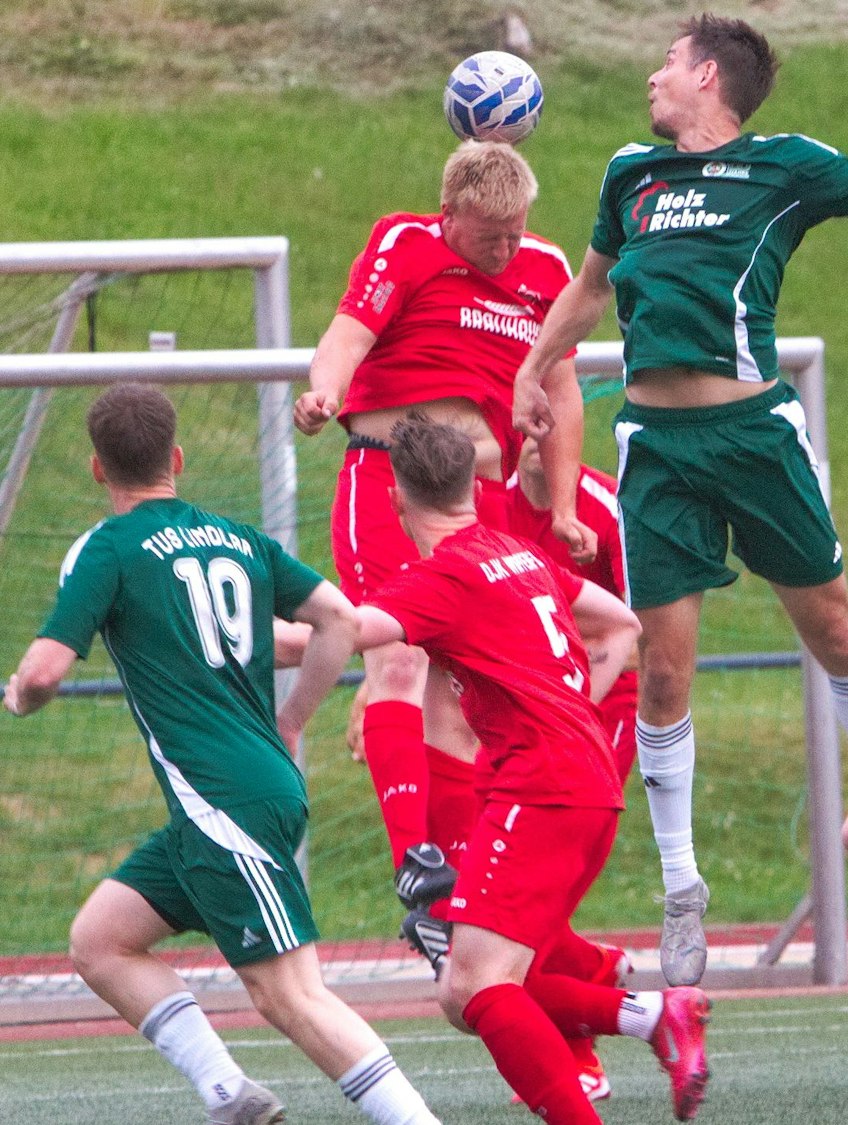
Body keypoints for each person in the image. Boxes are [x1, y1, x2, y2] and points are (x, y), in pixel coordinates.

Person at [511, 13, 848, 987]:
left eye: (666, 62)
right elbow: (592, 289)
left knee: (836, 634)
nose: (651, 75)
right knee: (668, 674)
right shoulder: (630, 172)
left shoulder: (784, 164)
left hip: (754, 435)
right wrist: (533, 365)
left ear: (709, 77)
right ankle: (682, 889)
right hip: (658, 448)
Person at [5, 384, 439, 1125]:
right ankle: (230, 1094)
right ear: (176, 457)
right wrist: (296, 713)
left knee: (289, 995)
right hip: (219, 805)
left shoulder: (109, 548)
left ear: (96, 469)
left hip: (223, 803)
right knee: (101, 940)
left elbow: (44, 672)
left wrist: (22, 693)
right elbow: (333, 621)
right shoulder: (238, 538)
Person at [352, 414, 710, 1123]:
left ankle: (630, 1043)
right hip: (587, 783)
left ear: (395, 499)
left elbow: (346, 634)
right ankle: (652, 1016)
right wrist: (569, 702)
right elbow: (620, 624)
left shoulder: (443, 576)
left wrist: (232, 632)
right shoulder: (515, 551)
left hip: (539, 790)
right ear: (471, 487)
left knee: (477, 984)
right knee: (478, 982)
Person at [293, 139, 589, 914]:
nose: (505, 247)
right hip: (389, 477)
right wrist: (323, 393)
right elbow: (346, 335)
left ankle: (459, 898)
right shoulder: (407, 242)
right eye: (490, 233)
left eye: (515, 230)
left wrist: (560, 509)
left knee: (459, 698)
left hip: (478, 497)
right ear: (450, 213)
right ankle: (414, 862)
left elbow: (563, 390)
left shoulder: (547, 270)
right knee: (397, 661)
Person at [506, 436, 639, 778]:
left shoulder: (613, 508)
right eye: (530, 422)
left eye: (553, 423)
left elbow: (644, 642)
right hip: (511, 699)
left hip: (604, 694)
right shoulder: (488, 506)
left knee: (578, 813)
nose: (539, 434)